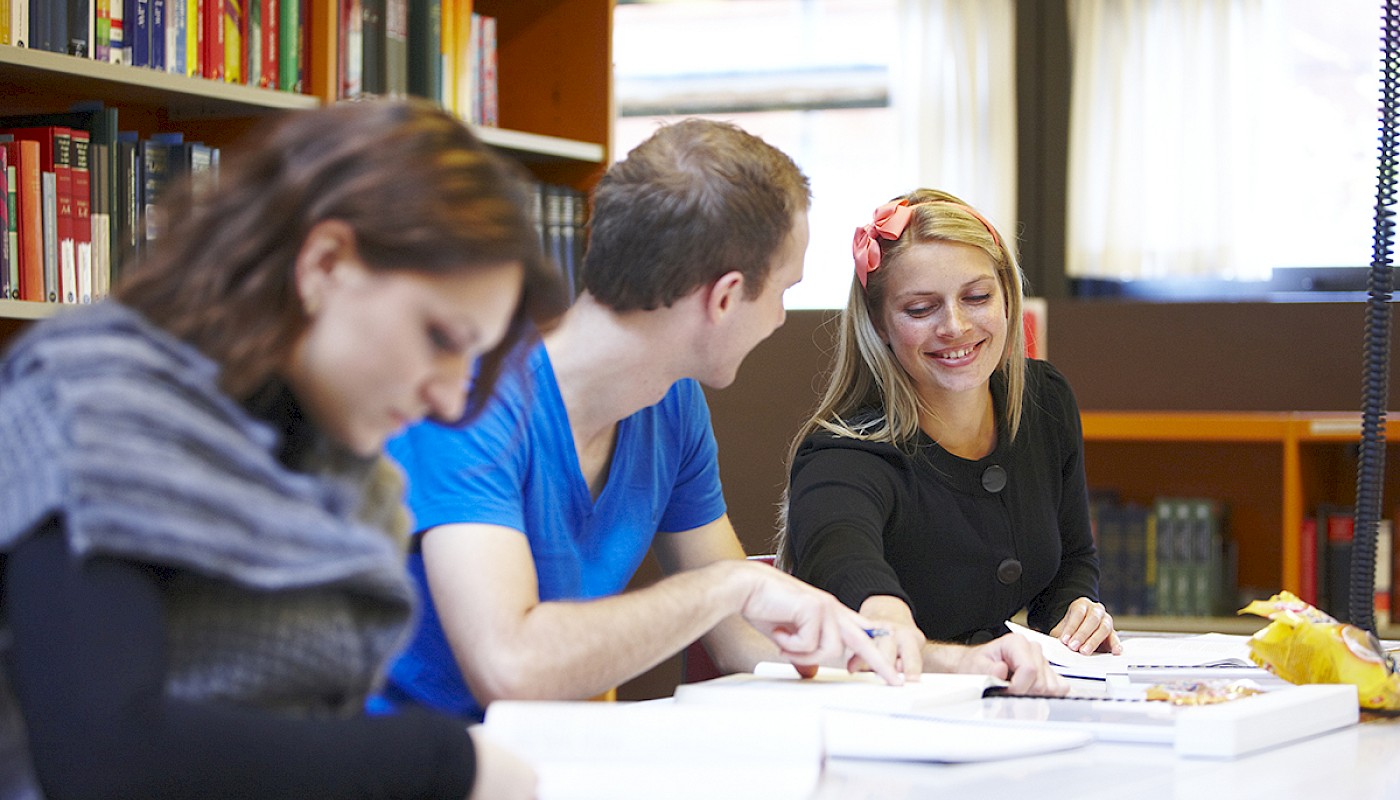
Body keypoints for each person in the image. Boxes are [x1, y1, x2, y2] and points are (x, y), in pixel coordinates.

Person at [378, 121, 1062, 723]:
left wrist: (953, 665)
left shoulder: (671, 407)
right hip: (408, 759)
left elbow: (744, 635)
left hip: (545, 751)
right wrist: (727, 586)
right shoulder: (468, 401)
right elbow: (510, 668)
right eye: (786, 291)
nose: (781, 319)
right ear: (727, 297)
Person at [0, 99, 563, 799]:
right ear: (325, 263)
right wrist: (444, 760)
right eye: (441, 339)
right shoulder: (91, 400)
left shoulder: (350, 476)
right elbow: (102, 755)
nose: (451, 401)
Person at [774, 188, 1120, 679]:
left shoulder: (1045, 401)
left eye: (977, 297)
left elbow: (1071, 559)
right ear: (878, 323)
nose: (955, 326)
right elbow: (842, 557)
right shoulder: (843, 452)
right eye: (920, 309)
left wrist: (1076, 615)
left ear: (1006, 296)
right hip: (882, 712)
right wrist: (883, 611)